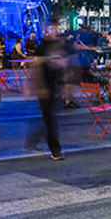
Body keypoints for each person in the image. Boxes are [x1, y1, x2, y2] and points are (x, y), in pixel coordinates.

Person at [26, 19, 66, 160]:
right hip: (45, 87)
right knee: (50, 119)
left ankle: (34, 138)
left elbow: (62, 66)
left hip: (55, 86)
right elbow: (36, 68)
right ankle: (55, 150)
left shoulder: (58, 45)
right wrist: (39, 86)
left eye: (56, 28)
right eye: (52, 28)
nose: (55, 31)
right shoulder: (42, 46)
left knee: (50, 118)